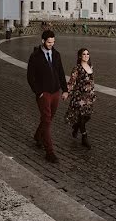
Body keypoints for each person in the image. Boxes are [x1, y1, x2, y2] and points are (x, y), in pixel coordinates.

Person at [27, 30, 68, 162]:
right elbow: (30, 77)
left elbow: (61, 73)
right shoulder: (35, 56)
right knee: (47, 120)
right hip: (43, 93)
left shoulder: (56, 54)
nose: (51, 44)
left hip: (55, 91)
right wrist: (38, 92)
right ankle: (49, 152)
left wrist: (65, 90)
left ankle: (38, 135)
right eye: (49, 42)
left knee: (48, 119)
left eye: (53, 42)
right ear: (43, 41)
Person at [65, 48, 96, 149]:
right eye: (84, 54)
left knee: (88, 116)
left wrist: (92, 93)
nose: (86, 56)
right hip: (80, 96)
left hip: (89, 96)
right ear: (79, 56)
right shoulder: (77, 68)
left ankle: (76, 127)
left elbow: (91, 82)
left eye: (87, 54)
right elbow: (71, 82)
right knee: (82, 117)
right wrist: (67, 92)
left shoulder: (90, 66)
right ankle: (84, 137)